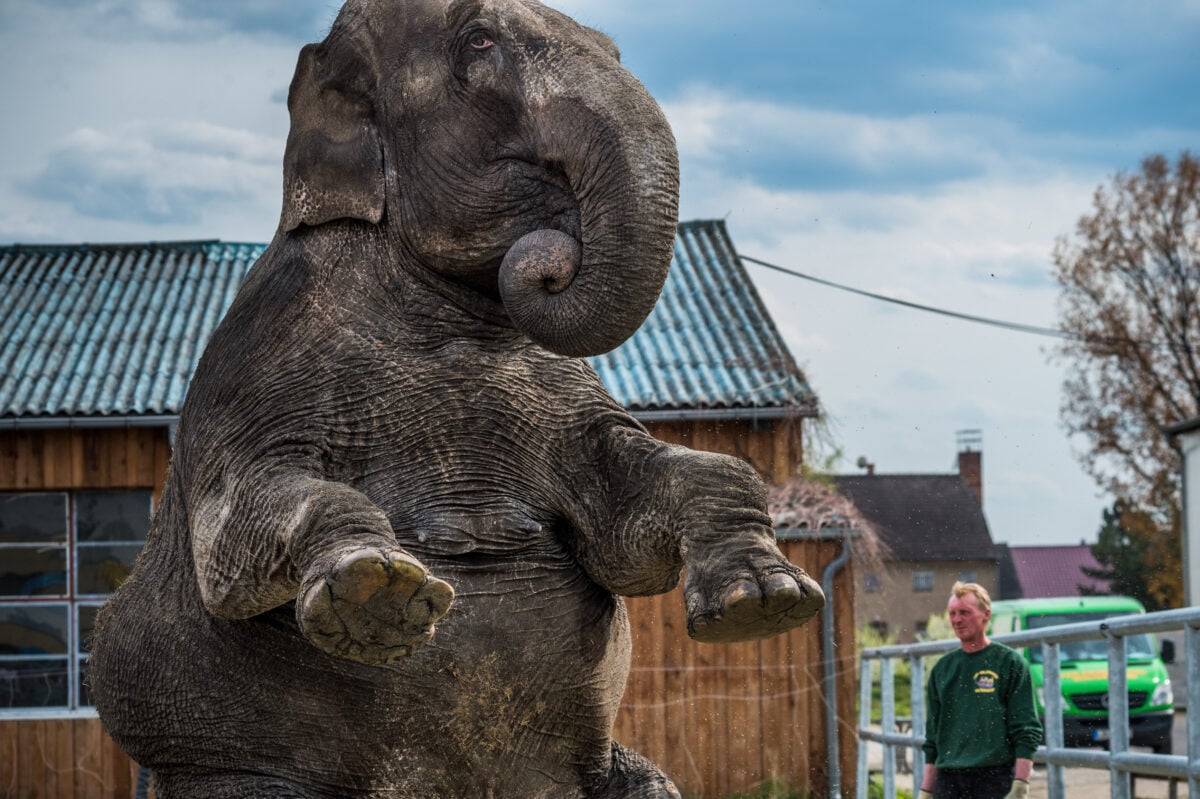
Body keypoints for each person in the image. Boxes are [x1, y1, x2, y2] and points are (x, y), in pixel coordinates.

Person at [920, 581, 1042, 799]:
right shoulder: (942, 669)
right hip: (948, 781)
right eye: (953, 613)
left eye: (965, 612)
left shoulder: (1009, 663)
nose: (957, 620)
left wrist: (1021, 784)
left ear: (986, 615)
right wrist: (926, 790)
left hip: (994, 777)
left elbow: (1026, 730)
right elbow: (932, 738)